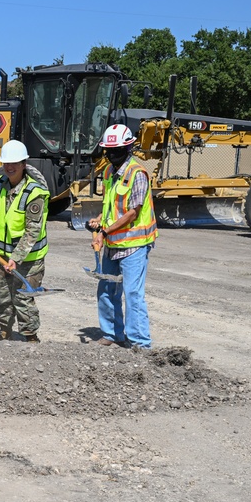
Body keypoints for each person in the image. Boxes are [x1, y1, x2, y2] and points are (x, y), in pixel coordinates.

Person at [0, 139, 49, 343]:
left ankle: (31, 338)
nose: (9, 167)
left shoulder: (35, 193)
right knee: (4, 295)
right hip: (3, 255)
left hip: (29, 258)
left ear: (24, 164)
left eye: (14, 163)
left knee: (23, 298)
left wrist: (16, 258)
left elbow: (32, 231)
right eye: (6, 163)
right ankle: (4, 333)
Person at [87, 123, 157, 349]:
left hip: (134, 245)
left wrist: (105, 230)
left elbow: (132, 213)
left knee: (133, 293)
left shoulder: (137, 174)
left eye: (116, 150)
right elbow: (112, 206)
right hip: (112, 242)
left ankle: (140, 343)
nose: (111, 155)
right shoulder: (108, 172)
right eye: (108, 151)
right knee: (107, 288)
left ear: (128, 149)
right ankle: (111, 333)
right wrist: (99, 222)